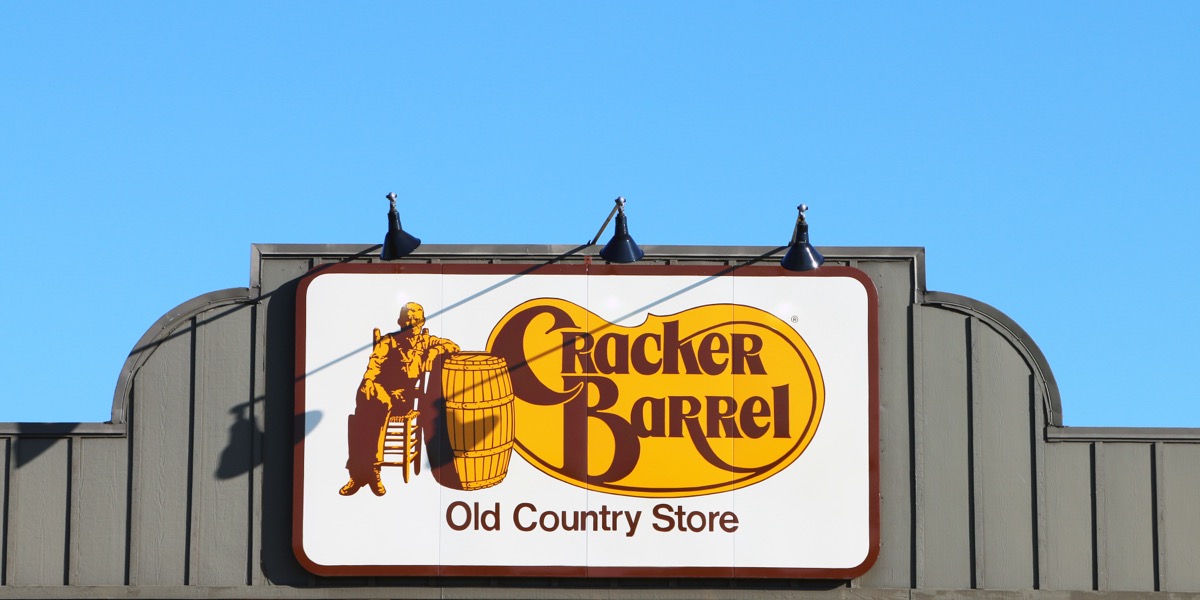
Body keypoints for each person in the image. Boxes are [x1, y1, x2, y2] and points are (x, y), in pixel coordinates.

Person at [340, 302, 459, 496]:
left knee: (362, 416)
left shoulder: (426, 342)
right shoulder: (389, 341)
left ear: (422, 322)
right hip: (379, 393)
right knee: (368, 403)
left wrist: (435, 352)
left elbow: (452, 346)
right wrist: (369, 381)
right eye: (408, 318)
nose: (412, 323)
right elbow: (374, 364)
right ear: (400, 322)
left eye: (416, 319)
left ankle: (363, 473)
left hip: (403, 400)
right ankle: (369, 472)